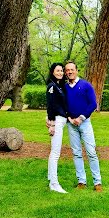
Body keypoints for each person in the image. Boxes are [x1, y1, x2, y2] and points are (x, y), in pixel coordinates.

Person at [64, 61, 103, 192]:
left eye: (71, 69)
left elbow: (93, 104)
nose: (69, 72)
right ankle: (81, 181)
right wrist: (70, 118)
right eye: (67, 70)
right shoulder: (65, 88)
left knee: (91, 152)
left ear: (76, 70)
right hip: (71, 124)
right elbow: (64, 106)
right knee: (76, 153)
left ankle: (97, 182)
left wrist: (81, 118)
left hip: (84, 123)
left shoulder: (86, 85)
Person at [46, 63, 68, 194]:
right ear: (52, 72)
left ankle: (50, 178)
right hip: (57, 121)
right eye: (58, 70)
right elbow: (50, 105)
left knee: (54, 152)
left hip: (61, 120)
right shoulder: (52, 86)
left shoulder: (60, 86)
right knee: (55, 153)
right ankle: (54, 183)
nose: (60, 72)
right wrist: (52, 123)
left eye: (61, 70)